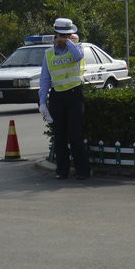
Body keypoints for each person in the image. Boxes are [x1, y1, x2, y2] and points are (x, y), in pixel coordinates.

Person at [38, 18, 91, 181]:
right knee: (59, 135)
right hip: (57, 97)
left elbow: (77, 57)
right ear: (55, 34)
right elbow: (45, 79)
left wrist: (67, 42)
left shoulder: (75, 48)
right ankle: (62, 170)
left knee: (75, 134)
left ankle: (82, 171)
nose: (64, 37)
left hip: (74, 95)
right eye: (61, 35)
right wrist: (42, 102)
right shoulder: (48, 53)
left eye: (67, 35)